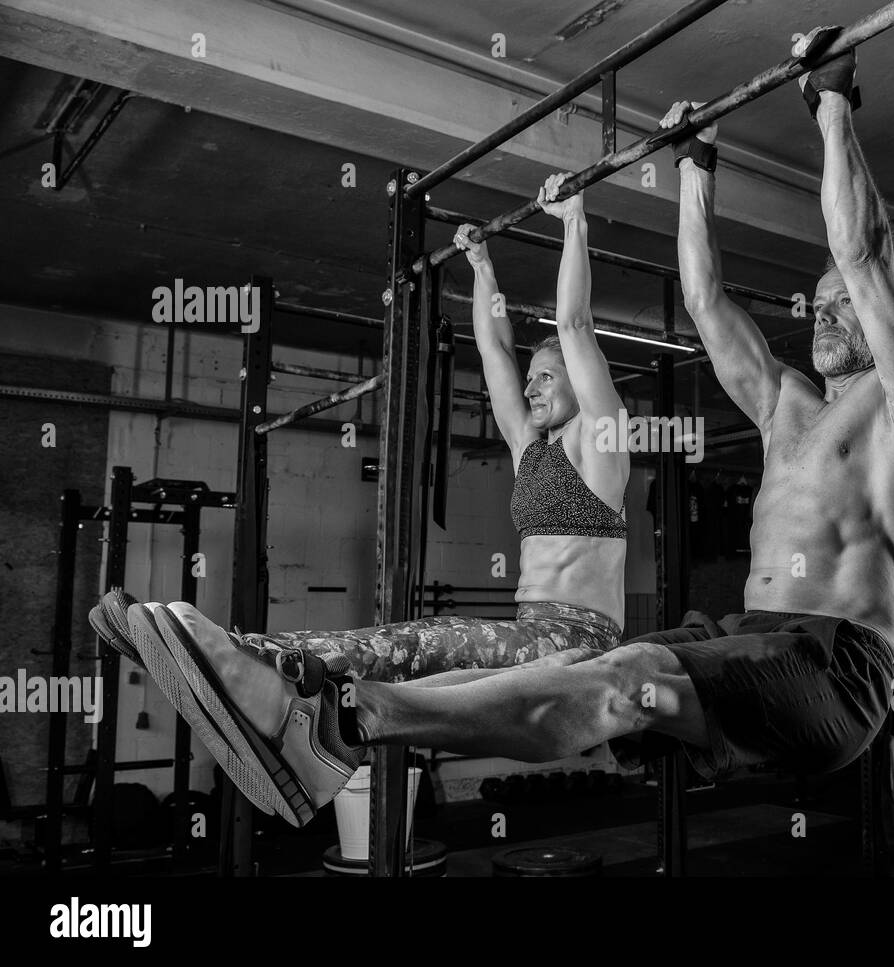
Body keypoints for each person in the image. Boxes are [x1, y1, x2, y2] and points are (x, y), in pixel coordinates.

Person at [103, 27, 894, 831]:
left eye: (846, 307)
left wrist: (832, 102)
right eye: (825, 305)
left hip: (832, 664)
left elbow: (861, 254)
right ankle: (286, 688)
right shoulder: (787, 405)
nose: (829, 312)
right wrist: (696, 165)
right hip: (744, 631)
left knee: (624, 678)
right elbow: (705, 300)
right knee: (559, 675)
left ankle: (336, 724)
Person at [89, 173, 632, 826]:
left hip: (581, 641)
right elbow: (492, 348)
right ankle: (235, 655)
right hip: (526, 632)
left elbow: (574, 322)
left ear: (585, 377)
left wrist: (574, 218)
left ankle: (232, 656)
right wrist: (482, 266)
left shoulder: (603, 441)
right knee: (391, 654)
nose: (535, 385)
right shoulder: (529, 447)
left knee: (430, 637)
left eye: (548, 374)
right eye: (535, 375)